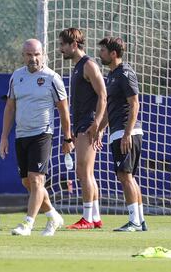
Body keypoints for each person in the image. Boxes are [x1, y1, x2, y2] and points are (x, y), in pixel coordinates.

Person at [0, 39, 74, 236]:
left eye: (37, 54)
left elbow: (64, 110)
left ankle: (27, 224)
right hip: (21, 134)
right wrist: (4, 137)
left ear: (43, 54)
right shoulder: (17, 76)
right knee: (27, 182)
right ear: (23, 56)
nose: (33, 58)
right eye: (29, 55)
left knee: (36, 180)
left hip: (42, 133)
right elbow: (10, 107)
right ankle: (52, 215)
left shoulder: (52, 78)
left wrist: (68, 138)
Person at [58, 28, 107, 229]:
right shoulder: (77, 66)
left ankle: (86, 218)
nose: (60, 49)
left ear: (74, 45)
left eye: (63, 44)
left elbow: (103, 95)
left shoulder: (88, 65)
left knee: (83, 171)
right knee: (87, 173)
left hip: (88, 125)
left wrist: (97, 124)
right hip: (80, 124)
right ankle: (95, 217)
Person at [97, 36, 147, 231]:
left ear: (113, 53)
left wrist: (127, 134)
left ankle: (134, 221)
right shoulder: (112, 75)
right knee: (128, 177)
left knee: (124, 176)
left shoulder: (125, 73)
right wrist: (100, 129)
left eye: (103, 50)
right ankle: (140, 221)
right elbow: (111, 109)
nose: (100, 53)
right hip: (117, 131)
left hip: (127, 132)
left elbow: (135, 103)